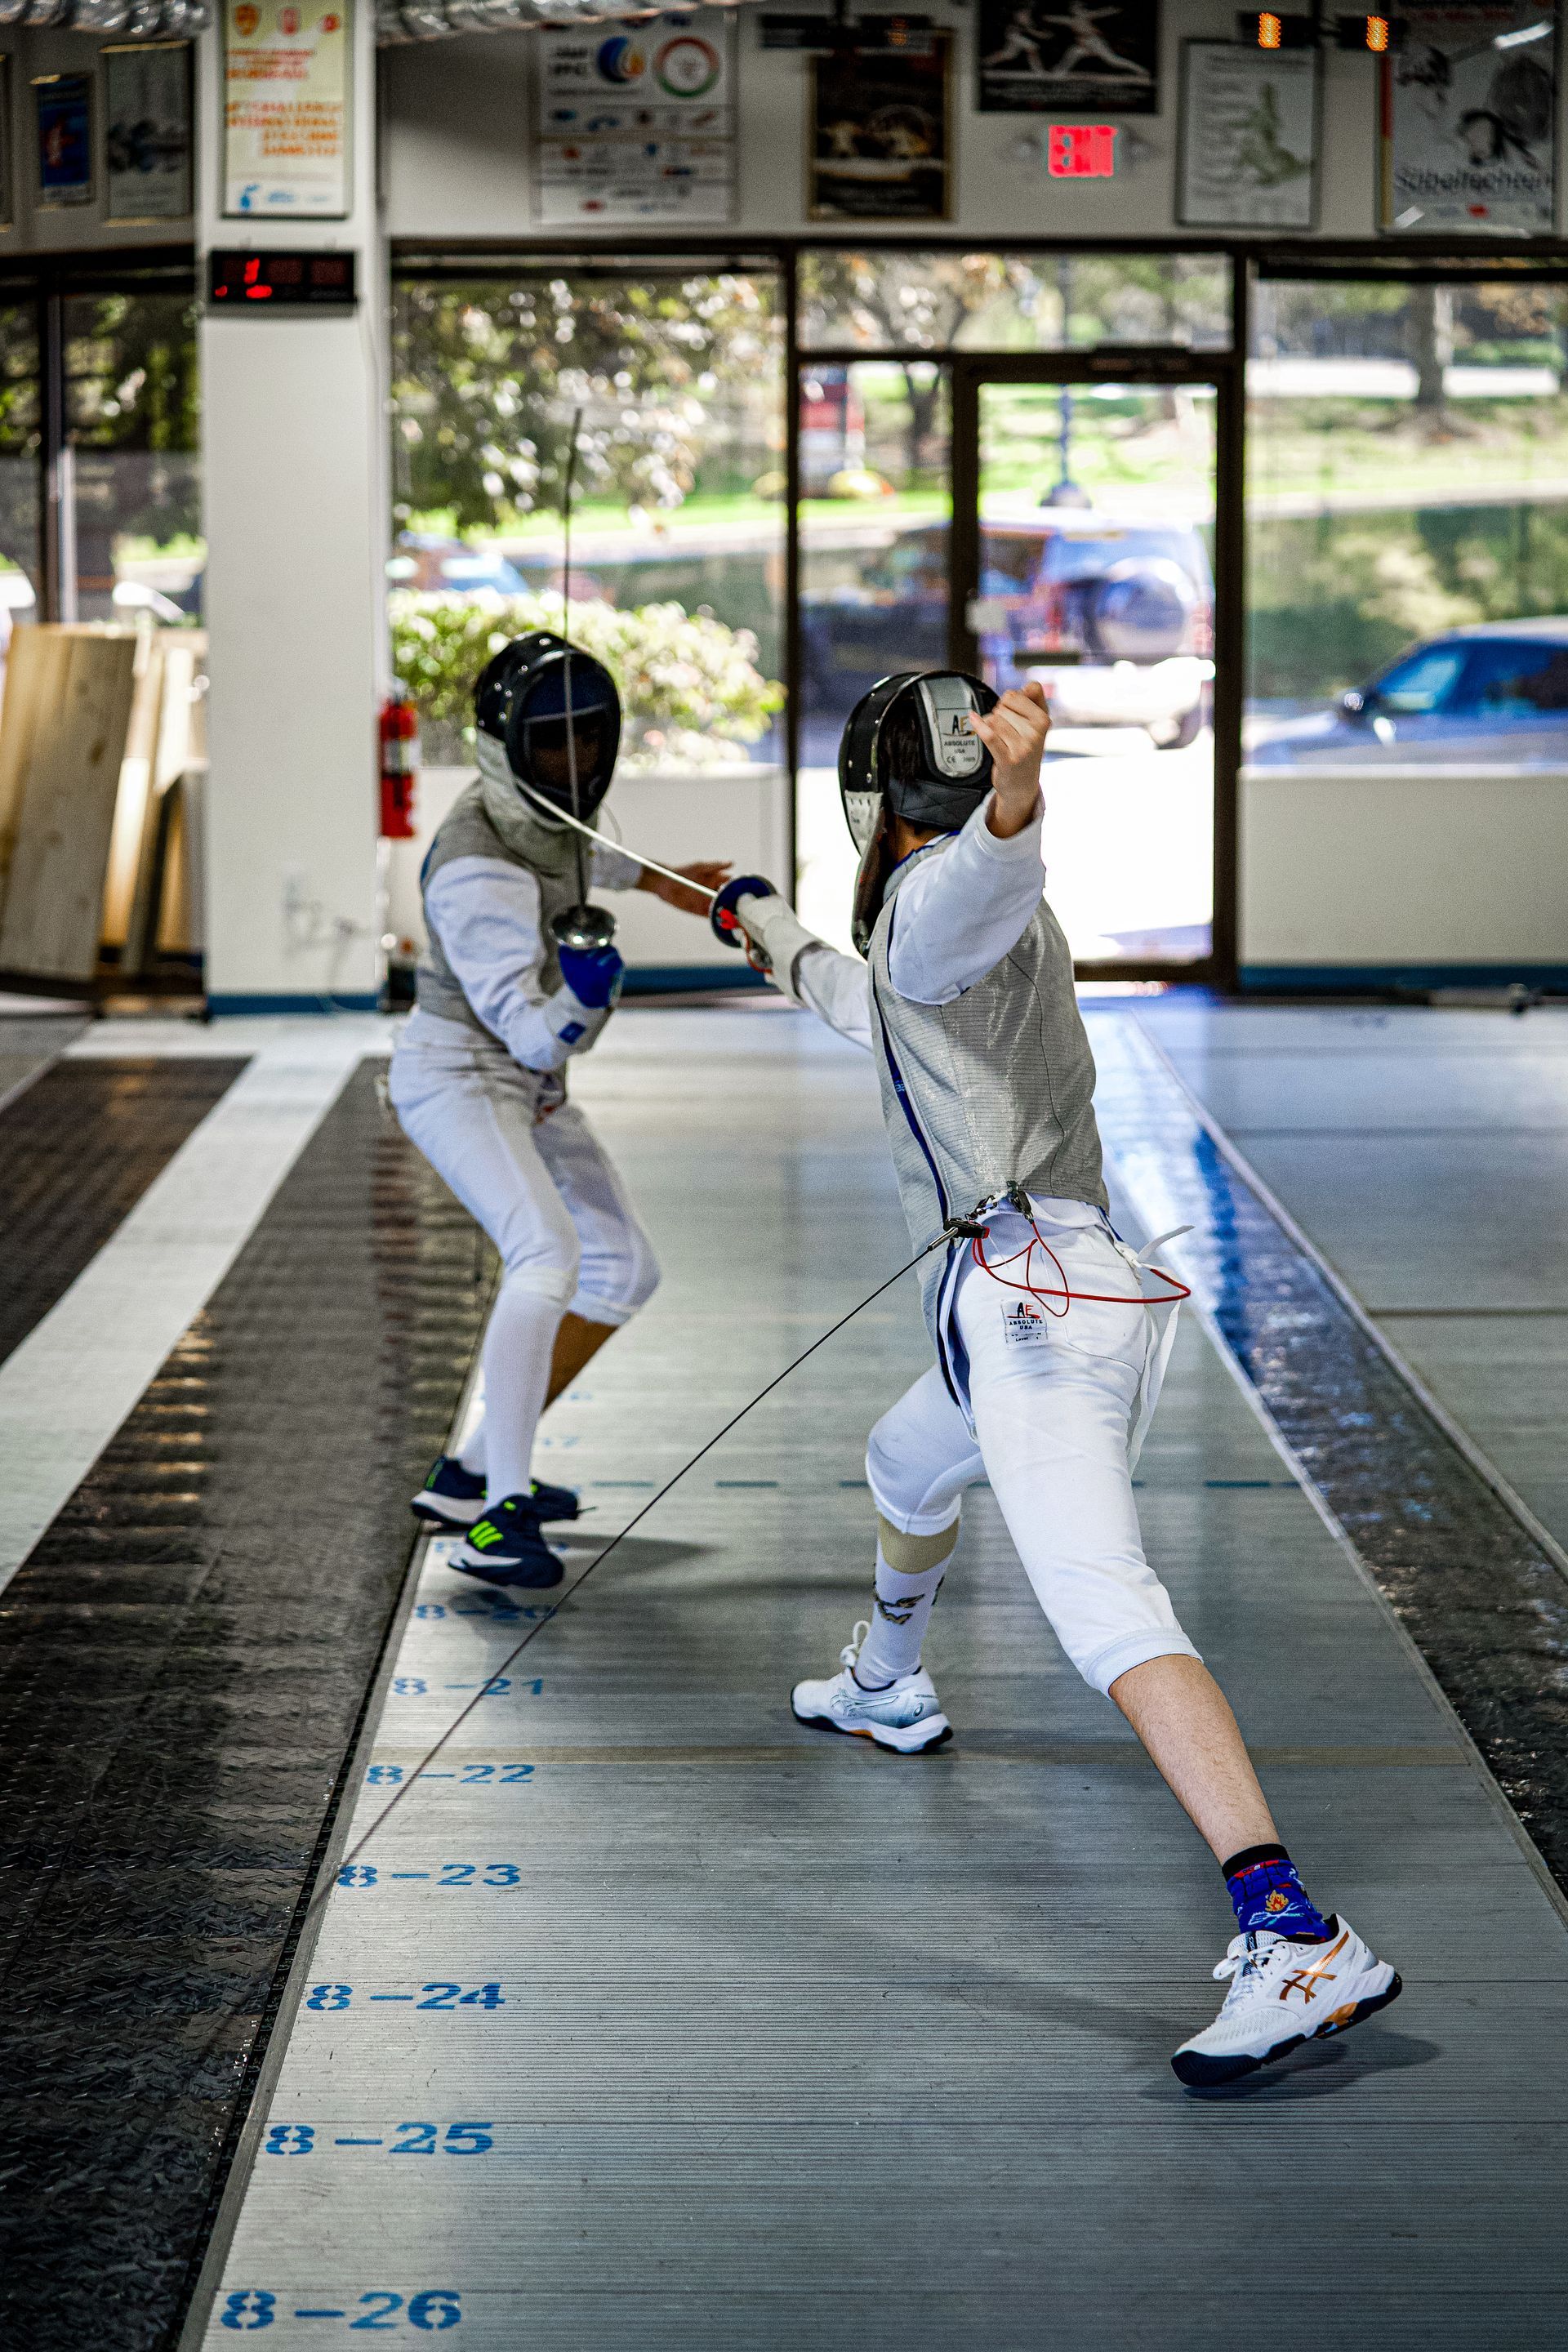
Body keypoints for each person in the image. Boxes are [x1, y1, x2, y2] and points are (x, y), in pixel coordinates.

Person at [712, 669, 1401, 2087]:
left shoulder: (953, 900)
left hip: (1036, 1314)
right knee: (906, 1464)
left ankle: (1294, 1930)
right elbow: (862, 998)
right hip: (1061, 1296)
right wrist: (752, 918)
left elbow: (966, 886)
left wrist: (1019, 803)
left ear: (873, 800)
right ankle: (887, 1685)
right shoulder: (950, 940)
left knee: (1102, 1604)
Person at [389, 632, 727, 1590]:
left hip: (521, 1084)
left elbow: (591, 860)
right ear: (508, 749)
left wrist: (683, 885)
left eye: (590, 737)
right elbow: (538, 1037)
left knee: (623, 1266)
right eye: (554, 743)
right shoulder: (475, 867)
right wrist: (586, 992)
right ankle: (498, 1516)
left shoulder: (544, 815)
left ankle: (468, 1473)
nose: (575, 761)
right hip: (457, 1074)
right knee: (546, 1254)